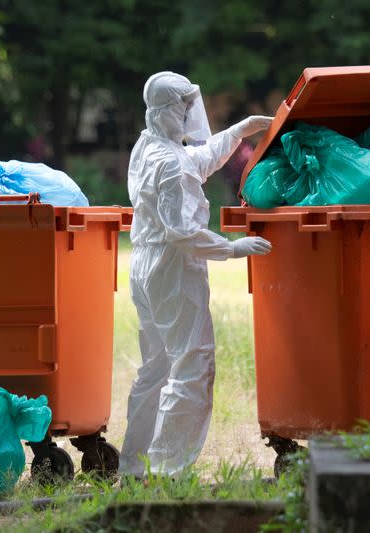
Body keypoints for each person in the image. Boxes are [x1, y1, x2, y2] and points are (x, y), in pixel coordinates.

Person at [121, 71, 274, 477]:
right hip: (173, 268)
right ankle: (166, 471)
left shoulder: (148, 145)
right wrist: (231, 248)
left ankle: (135, 469)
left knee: (155, 367)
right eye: (185, 107)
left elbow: (198, 161)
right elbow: (184, 232)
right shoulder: (170, 164)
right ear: (169, 110)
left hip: (145, 264)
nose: (191, 114)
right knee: (193, 363)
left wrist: (238, 132)